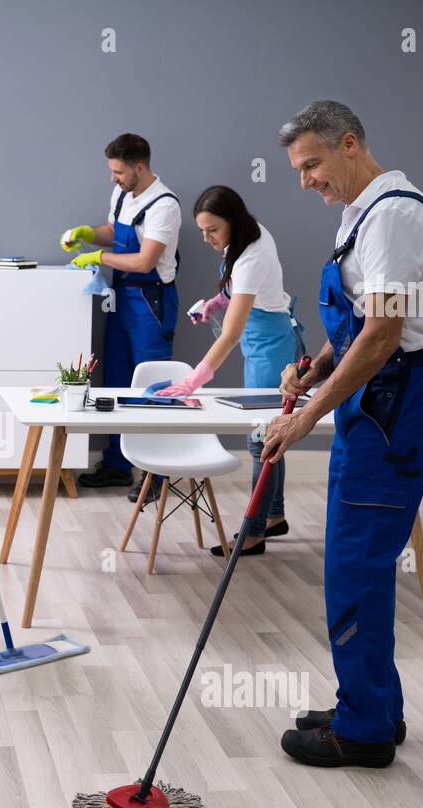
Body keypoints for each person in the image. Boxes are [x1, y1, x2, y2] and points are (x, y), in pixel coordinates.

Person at [265, 101, 423, 768]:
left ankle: (365, 732)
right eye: (298, 169)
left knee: (357, 567)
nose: (306, 179)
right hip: (376, 401)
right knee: (357, 564)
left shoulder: (395, 216)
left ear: (350, 144)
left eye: (313, 164)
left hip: (394, 403)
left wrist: (306, 415)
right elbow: (357, 324)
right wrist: (316, 365)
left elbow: (382, 335)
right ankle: (372, 704)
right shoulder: (363, 214)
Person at [160, 185, 305, 554]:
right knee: (271, 435)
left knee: (262, 441)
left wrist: (192, 381)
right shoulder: (246, 234)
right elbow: (241, 290)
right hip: (262, 339)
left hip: (272, 348)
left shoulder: (251, 256)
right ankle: (274, 516)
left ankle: (253, 533)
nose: (207, 239)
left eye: (213, 231)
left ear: (233, 222)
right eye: (202, 231)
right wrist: (215, 303)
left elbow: (231, 333)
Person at [59, 133, 181, 498]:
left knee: (152, 387)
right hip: (122, 298)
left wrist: (98, 258)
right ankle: (116, 464)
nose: (113, 178)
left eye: (118, 171)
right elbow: (113, 232)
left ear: (139, 167)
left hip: (151, 301)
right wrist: (88, 235)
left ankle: (156, 473)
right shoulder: (123, 194)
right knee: (115, 379)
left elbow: (145, 259)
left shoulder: (164, 205)